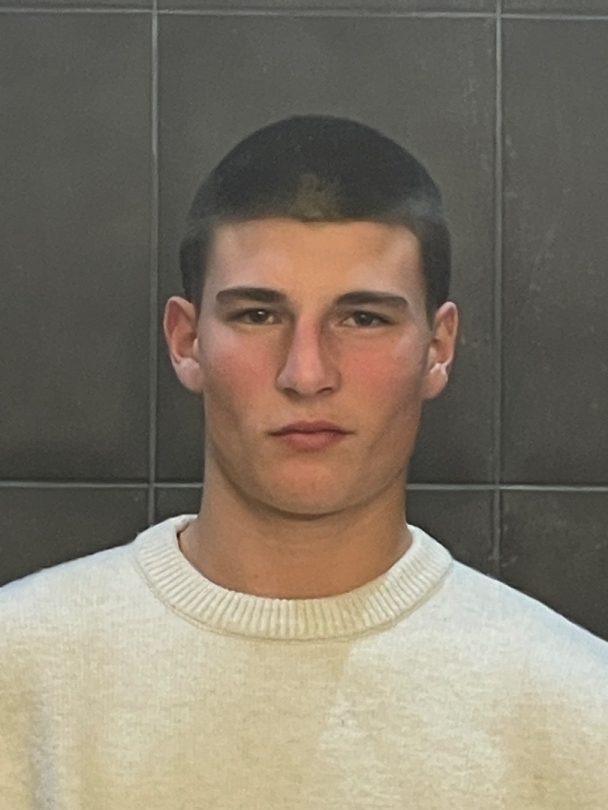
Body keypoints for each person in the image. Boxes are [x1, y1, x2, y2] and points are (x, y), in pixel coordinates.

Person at [1, 115, 606, 809]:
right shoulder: (21, 672)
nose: (307, 374)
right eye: (258, 315)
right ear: (187, 340)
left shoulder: (581, 713)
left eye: (364, 318)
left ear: (438, 347)